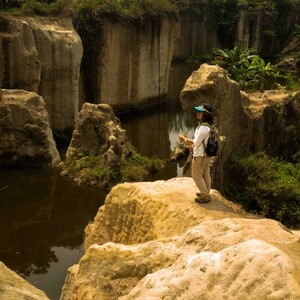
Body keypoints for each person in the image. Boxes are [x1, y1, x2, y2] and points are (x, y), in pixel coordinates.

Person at [179, 103, 214, 203]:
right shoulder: (208, 125)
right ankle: (206, 191)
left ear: (205, 114)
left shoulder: (202, 128)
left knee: (196, 176)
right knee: (205, 174)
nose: (197, 113)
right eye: (198, 111)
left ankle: (205, 195)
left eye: (200, 112)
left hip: (200, 156)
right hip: (207, 155)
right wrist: (193, 146)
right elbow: (202, 141)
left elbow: (195, 141)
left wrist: (184, 139)